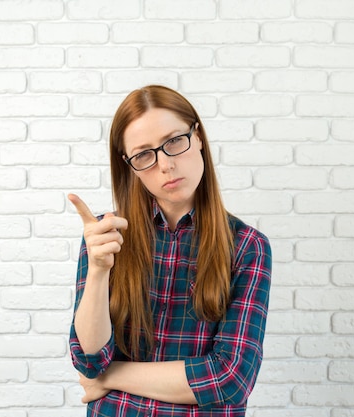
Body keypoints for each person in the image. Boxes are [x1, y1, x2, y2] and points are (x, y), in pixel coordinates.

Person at [68, 85, 271, 416]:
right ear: (130, 166)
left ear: (199, 136)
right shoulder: (107, 236)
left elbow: (231, 378)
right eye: (144, 154)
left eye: (174, 141)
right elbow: (90, 360)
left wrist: (111, 377)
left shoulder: (247, 246)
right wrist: (98, 269)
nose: (165, 165)